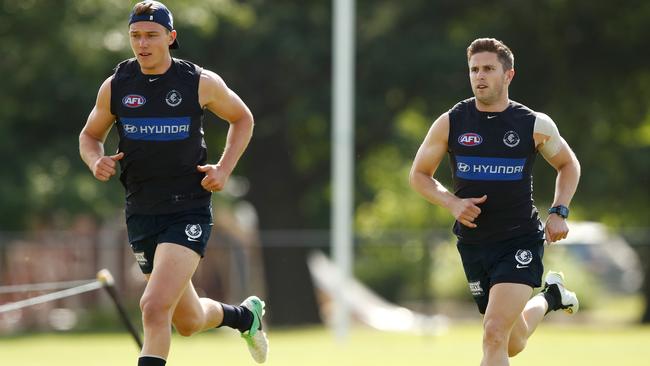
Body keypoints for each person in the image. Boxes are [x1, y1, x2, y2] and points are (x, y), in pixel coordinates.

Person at [78, 2, 268, 365]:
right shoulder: (116, 86)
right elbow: (89, 136)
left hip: (188, 208)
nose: (142, 43)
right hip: (141, 211)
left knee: (152, 306)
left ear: (171, 37)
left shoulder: (199, 82)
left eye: (151, 35)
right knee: (188, 321)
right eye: (136, 36)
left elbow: (242, 118)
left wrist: (225, 169)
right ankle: (245, 316)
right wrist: (95, 160)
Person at [409, 38, 581, 365]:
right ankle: (551, 297)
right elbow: (419, 175)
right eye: (474, 69)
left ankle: (548, 296)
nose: (479, 76)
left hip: (519, 240)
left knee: (493, 333)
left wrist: (559, 211)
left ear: (508, 75)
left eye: (488, 68)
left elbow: (568, 165)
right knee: (510, 341)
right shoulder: (451, 122)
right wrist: (451, 203)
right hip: (474, 244)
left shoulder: (533, 124)